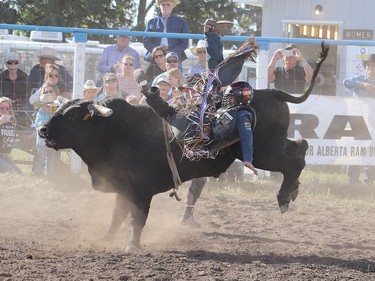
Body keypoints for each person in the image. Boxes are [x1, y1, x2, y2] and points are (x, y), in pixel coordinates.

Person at [343, 54, 375, 183]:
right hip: (358, 119)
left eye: (373, 65)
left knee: (372, 149)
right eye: (368, 65)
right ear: (365, 67)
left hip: (373, 121)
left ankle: (369, 180)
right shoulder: (359, 79)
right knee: (355, 149)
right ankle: (352, 179)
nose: (370, 68)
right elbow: (346, 82)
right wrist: (362, 85)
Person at [143, 0, 189, 67]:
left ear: (173, 6)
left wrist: (172, 51)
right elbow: (146, 41)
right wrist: (158, 51)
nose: (165, 6)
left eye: (168, 4)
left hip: (174, 58)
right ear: (159, 6)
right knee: (153, 77)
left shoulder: (181, 22)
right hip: (156, 57)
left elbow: (184, 43)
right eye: (163, 4)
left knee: (176, 77)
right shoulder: (151, 22)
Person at [33, 82, 60, 177]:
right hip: (42, 141)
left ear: (55, 94)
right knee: (41, 158)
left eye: (50, 91)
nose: (48, 93)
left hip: (53, 141)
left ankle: (50, 176)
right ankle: (38, 175)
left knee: (51, 160)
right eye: (46, 92)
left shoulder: (57, 111)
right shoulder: (41, 112)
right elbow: (39, 124)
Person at [0, 97, 23, 174]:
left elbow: (9, 140)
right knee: (15, 174)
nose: (4, 110)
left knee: (21, 174)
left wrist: (7, 154)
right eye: (1, 107)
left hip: (5, 156)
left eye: (7, 108)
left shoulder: (11, 122)